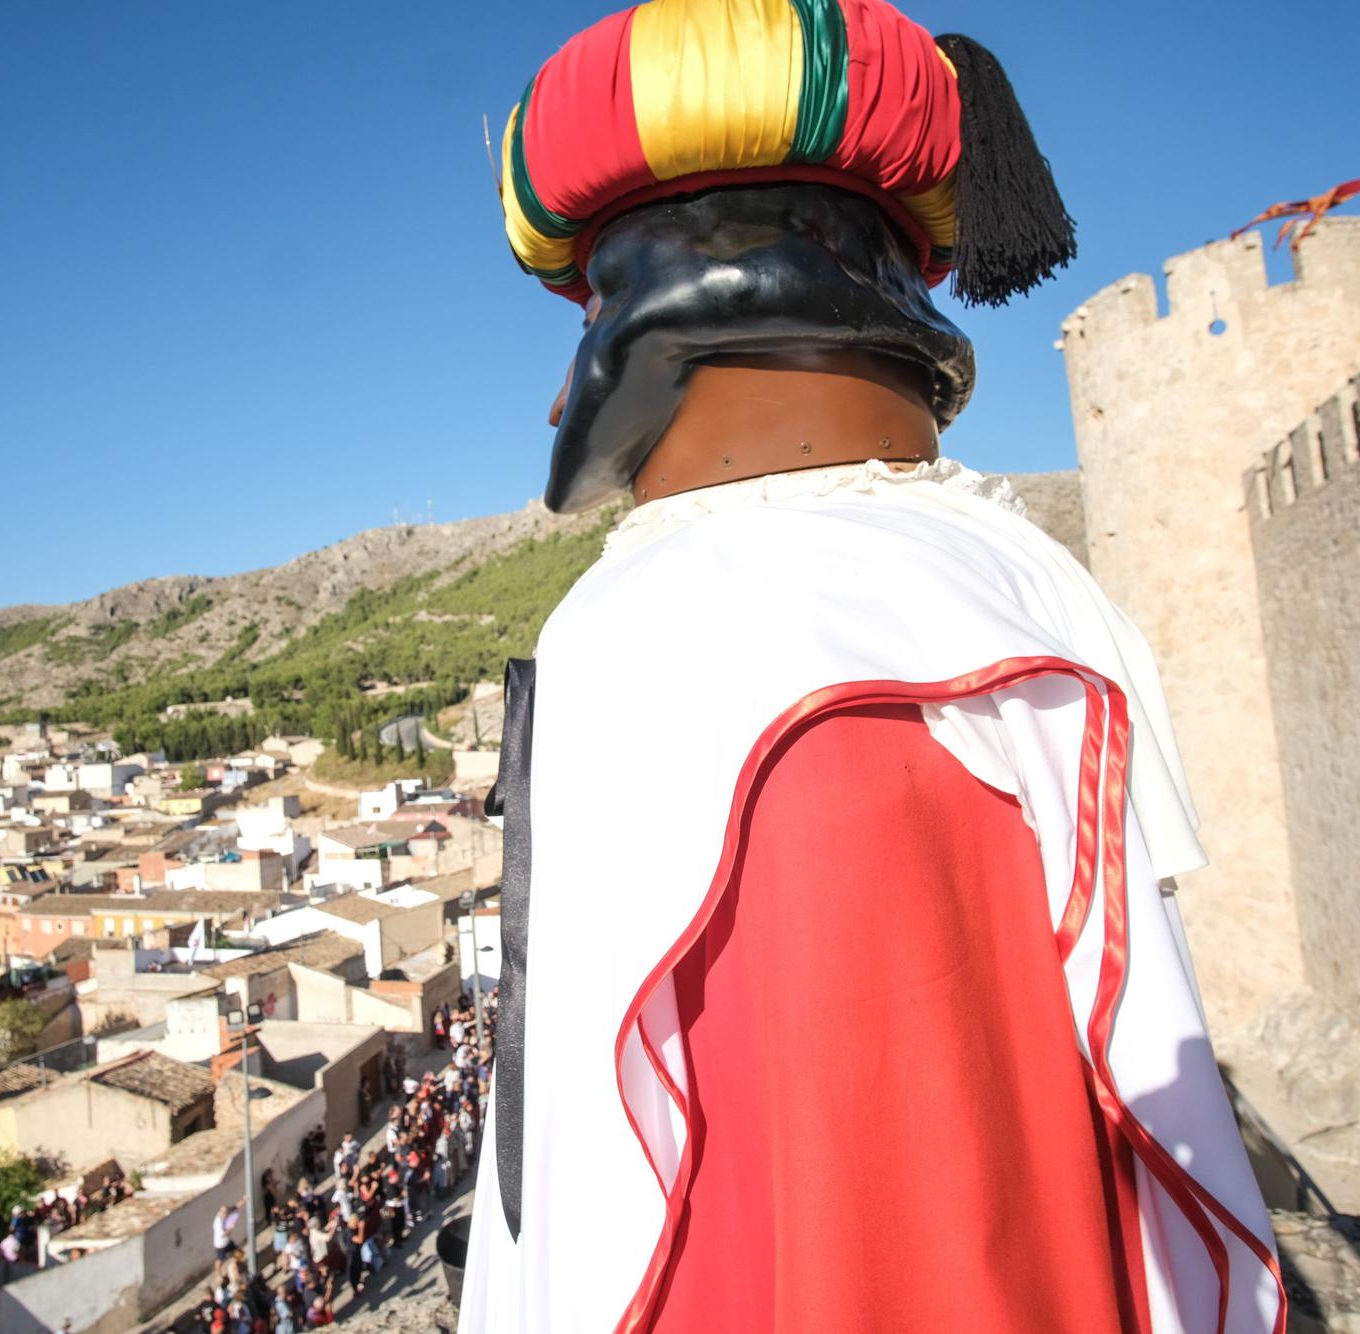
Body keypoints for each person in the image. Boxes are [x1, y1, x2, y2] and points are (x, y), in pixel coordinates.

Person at [459, 3, 1283, 1332]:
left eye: (599, 301)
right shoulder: (1018, 588)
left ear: (686, 302)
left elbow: (877, 1221)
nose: (561, 404)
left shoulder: (690, 626)